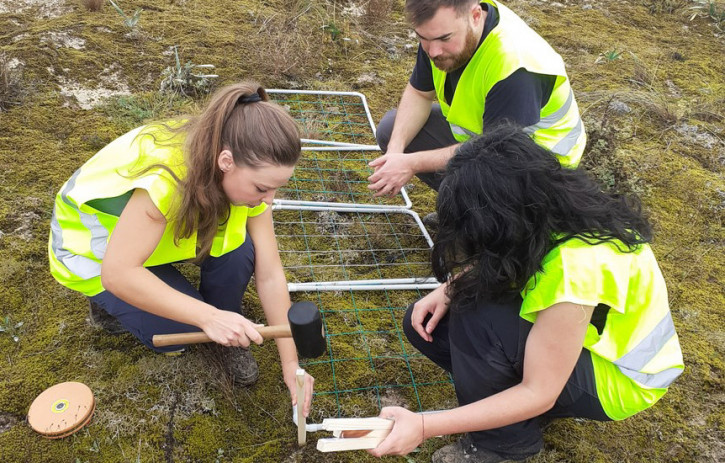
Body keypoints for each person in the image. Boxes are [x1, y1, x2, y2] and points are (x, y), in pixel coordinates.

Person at [367, 125, 684, 462]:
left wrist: (424, 425)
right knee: (437, 318)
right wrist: (448, 288)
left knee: (478, 315)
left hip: (619, 380)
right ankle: (506, 405)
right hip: (581, 344)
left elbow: (539, 392)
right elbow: (519, 250)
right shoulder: (554, 201)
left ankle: (501, 445)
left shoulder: (575, 273)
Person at [48, 81, 314, 415]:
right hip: (96, 253)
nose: (269, 200)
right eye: (262, 187)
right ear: (226, 161)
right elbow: (118, 272)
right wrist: (205, 317)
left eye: (276, 189)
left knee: (243, 251)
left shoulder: (237, 163)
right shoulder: (165, 181)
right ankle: (108, 307)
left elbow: (271, 274)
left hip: (155, 236)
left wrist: (292, 364)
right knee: (184, 330)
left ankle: (223, 325)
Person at [368, 0, 586, 198]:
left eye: (444, 38)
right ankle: (463, 207)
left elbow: (496, 150)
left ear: (475, 16)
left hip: (541, 169)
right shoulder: (438, 33)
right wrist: (396, 152)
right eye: (423, 38)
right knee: (391, 130)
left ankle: (485, 222)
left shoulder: (514, 66)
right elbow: (419, 93)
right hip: (489, 141)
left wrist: (411, 164)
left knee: (479, 180)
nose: (433, 51)